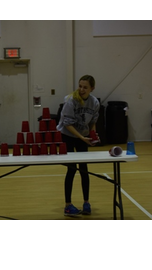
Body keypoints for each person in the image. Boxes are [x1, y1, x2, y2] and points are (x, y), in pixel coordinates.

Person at [57, 75, 100, 216]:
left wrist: (93, 135)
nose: (81, 89)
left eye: (85, 87)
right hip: (68, 135)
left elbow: (93, 122)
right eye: (80, 86)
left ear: (92, 88)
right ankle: (67, 205)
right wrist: (82, 137)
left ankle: (86, 203)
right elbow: (67, 124)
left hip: (83, 135)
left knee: (84, 169)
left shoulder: (94, 103)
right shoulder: (71, 100)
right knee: (71, 169)